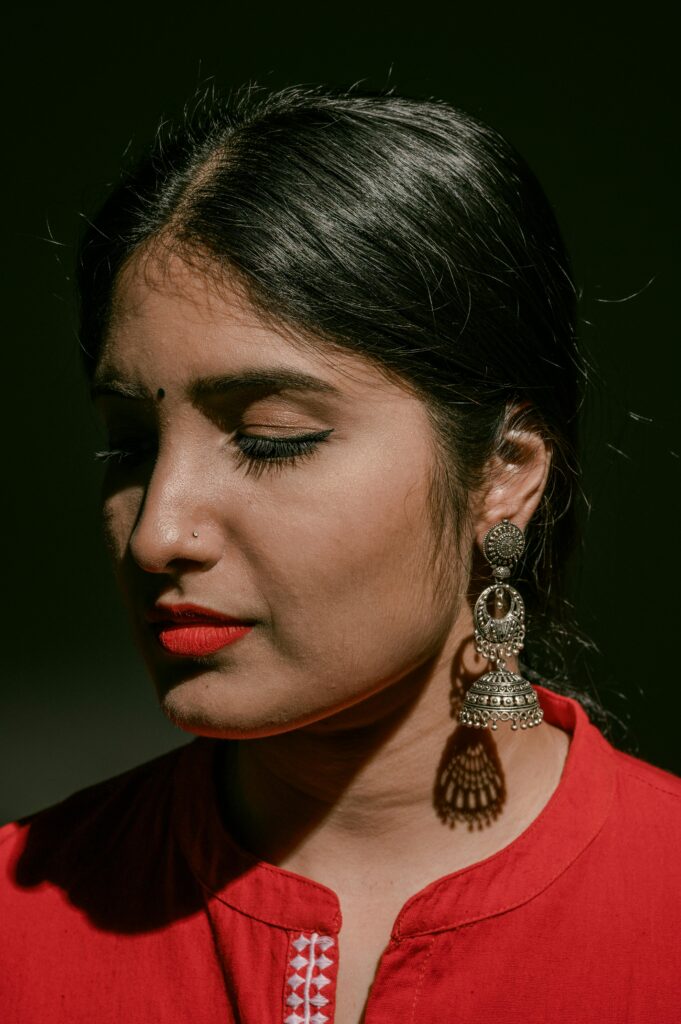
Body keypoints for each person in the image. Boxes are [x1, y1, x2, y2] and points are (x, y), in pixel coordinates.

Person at [1, 84, 680, 1023]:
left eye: (272, 436)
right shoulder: (22, 922)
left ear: (504, 470)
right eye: (129, 447)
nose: (158, 532)